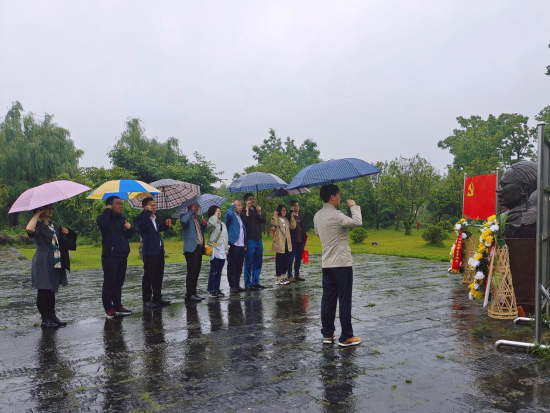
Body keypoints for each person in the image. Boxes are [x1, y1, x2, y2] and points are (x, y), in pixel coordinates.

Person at [313, 184, 362, 347]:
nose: (340, 198)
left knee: (328, 299)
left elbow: (318, 234)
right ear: (332, 197)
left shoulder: (317, 216)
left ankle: (327, 333)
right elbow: (357, 222)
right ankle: (346, 336)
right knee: (344, 299)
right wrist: (353, 206)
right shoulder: (336, 214)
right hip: (341, 263)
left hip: (327, 263)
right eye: (339, 195)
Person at [26, 204, 76, 328]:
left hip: (55, 259)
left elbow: (62, 241)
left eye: (51, 208)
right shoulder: (37, 225)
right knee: (43, 289)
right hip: (42, 260)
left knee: (52, 289)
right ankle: (45, 319)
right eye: (47, 208)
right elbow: (29, 229)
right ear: (40, 209)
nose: (50, 210)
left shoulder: (54, 224)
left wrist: (65, 233)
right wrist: (37, 213)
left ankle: (52, 316)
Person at [97, 196, 135, 319]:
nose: (120, 206)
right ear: (110, 205)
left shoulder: (122, 219)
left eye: (121, 204)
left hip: (122, 254)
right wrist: (107, 210)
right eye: (118, 204)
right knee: (109, 282)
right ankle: (108, 308)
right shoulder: (104, 218)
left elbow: (129, 235)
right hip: (110, 255)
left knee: (119, 282)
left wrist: (129, 227)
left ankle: (118, 305)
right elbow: (102, 223)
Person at [135, 197, 172, 308]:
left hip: (159, 250)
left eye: (155, 205)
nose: (154, 207)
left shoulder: (155, 218)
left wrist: (165, 225)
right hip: (149, 251)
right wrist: (147, 213)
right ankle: (147, 299)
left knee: (158, 275)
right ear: (144, 206)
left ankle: (157, 296)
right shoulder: (141, 217)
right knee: (148, 275)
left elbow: (155, 231)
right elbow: (142, 227)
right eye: (151, 205)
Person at [181, 202, 207, 302]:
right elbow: (183, 220)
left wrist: (203, 225)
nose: (196, 208)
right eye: (194, 206)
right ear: (189, 207)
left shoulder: (196, 219)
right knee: (191, 272)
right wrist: (191, 211)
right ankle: (189, 294)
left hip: (199, 248)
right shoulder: (185, 216)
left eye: (197, 206)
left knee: (196, 271)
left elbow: (199, 233)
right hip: (191, 249)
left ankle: (194, 292)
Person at [241, 193, 266, 291]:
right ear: (245, 201)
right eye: (250, 199)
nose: (252, 201)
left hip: (258, 239)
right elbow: (245, 221)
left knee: (258, 261)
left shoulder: (256, 210)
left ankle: (255, 282)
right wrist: (247, 209)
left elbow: (263, 221)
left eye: (253, 199)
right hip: (249, 239)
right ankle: (248, 283)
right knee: (248, 261)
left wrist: (259, 212)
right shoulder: (243, 211)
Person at [205, 205, 229, 297]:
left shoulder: (223, 224)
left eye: (219, 211)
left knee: (219, 271)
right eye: (216, 211)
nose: (219, 212)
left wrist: (227, 248)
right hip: (214, 248)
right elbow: (211, 226)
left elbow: (226, 237)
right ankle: (212, 289)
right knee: (214, 270)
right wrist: (214, 216)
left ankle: (217, 288)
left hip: (222, 249)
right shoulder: (211, 222)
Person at [270, 204, 296, 285]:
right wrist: (275, 215)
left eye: (285, 210)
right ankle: (279, 277)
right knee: (279, 260)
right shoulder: (276, 218)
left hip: (287, 242)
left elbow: (293, 226)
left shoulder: (286, 220)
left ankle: (283, 276)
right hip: (280, 242)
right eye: (282, 210)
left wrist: (292, 217)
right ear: (279, 211)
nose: (284, 212)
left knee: (285, 260)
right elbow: (273, 223)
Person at [225, 200, 247, 294]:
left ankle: (237, 284)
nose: (240, 207)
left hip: (241, 245)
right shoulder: (230, 214)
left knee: (239, 266)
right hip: (233, 244)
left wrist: (245, 243)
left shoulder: (239, 217)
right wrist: (232, 206)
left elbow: (242, 231)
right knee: (232, 266)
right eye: (238, 205)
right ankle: (232, 286)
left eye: (241, 205)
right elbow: (229, 214)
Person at [287, 200, 307, 282]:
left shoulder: (300, 216)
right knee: (290, 258)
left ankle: (297, 274)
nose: (297, 207)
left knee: (298, 258)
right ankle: (289, 275)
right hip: (293, 241)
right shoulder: (288, 216)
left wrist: (304, 237)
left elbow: (303, 227)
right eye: (295, 205)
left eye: (298, 206)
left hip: (300, 240)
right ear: (292, 207)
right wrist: (291, 216)